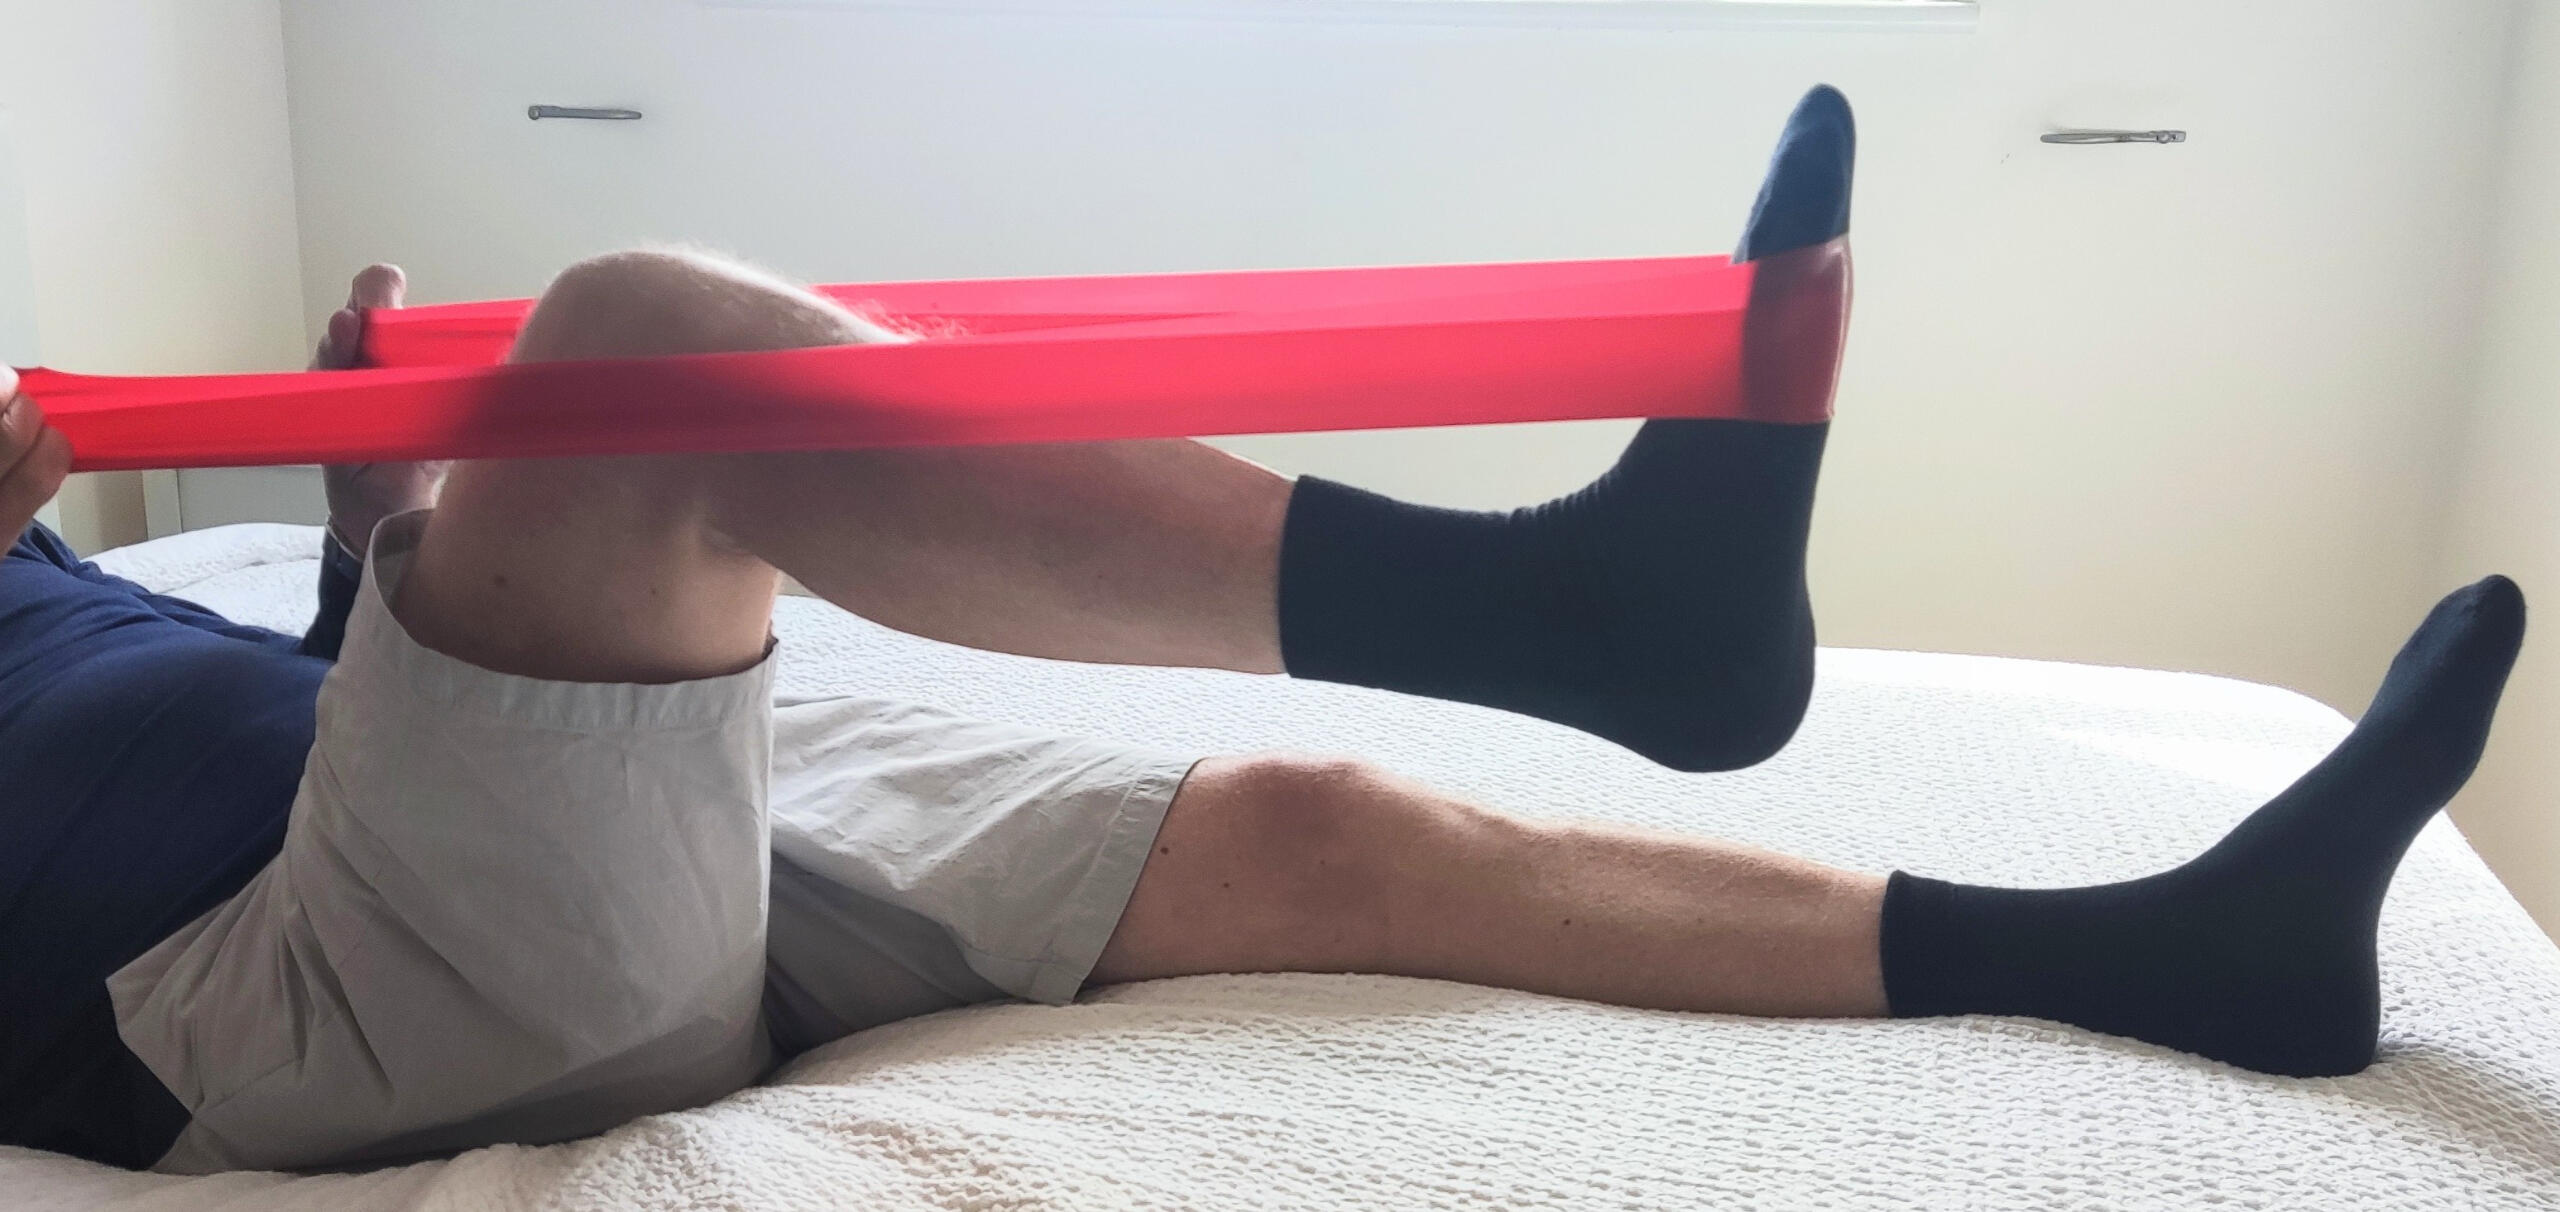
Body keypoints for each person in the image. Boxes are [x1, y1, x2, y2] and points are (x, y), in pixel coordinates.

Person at [0, 88, 2525, 1175]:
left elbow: (295, 722)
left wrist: (375, 538)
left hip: (423, 850)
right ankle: (1575, 606)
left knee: (1307, 829)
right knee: (646, 347)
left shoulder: (49, 558)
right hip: (306, 1002)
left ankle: (2195, 947)